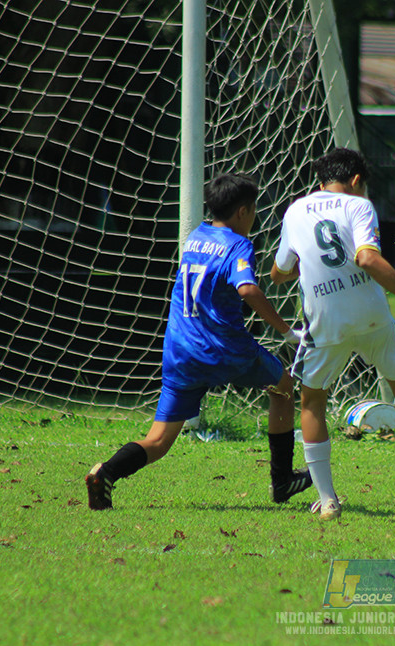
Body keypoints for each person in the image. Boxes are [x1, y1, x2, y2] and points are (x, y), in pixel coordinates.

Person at [86, 173, 312, 510]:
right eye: (253, 212)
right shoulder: (238, 244)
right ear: (242, 212)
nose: (254, 219)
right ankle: (281, 481)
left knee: (159, 440)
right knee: (282, 386)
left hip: (180, 350)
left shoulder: (196, 236)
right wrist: (285, 330)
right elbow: (247, 288)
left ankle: (105, 472)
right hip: (224, 348)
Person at [270, 147, 395, 520]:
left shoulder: (295, 210)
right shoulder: (359, 206)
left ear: (320, 182)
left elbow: (280, 271)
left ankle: (328, 499)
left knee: (313, 401)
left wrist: (300, 270)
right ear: (357, 181)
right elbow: (366, 257)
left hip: (325, 321)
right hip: (372, 316)